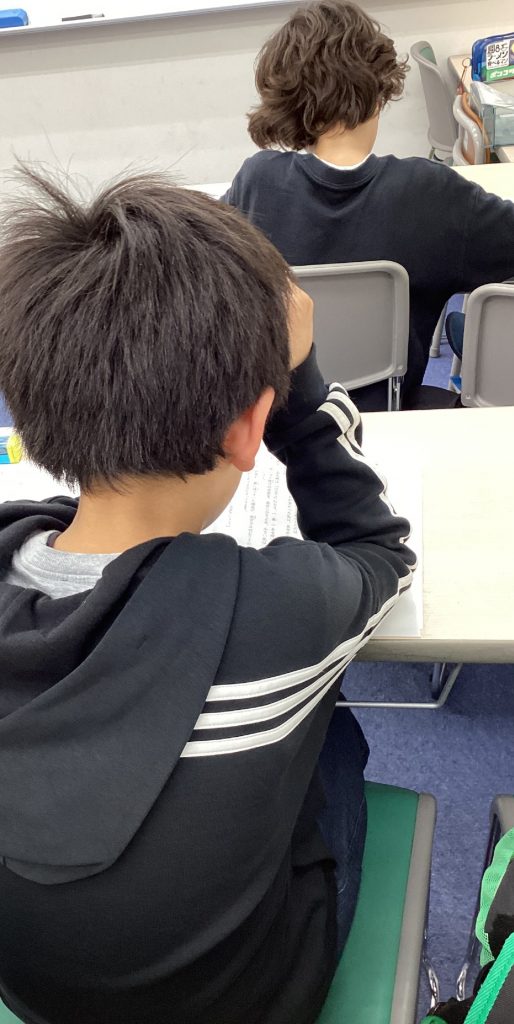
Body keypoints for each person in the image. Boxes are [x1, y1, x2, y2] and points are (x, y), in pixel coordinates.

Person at [0, 166, 415, 1024]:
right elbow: (381, 551)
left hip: (33, 995)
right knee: (332, 736)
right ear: (251, 427)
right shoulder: (279, 607)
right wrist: (302, 388)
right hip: (247, 1000)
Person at [223, 0, 514, 411]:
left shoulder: (256, 183)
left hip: (280, 423)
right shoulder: (433, 194)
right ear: (380, 92)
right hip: (395, 417)